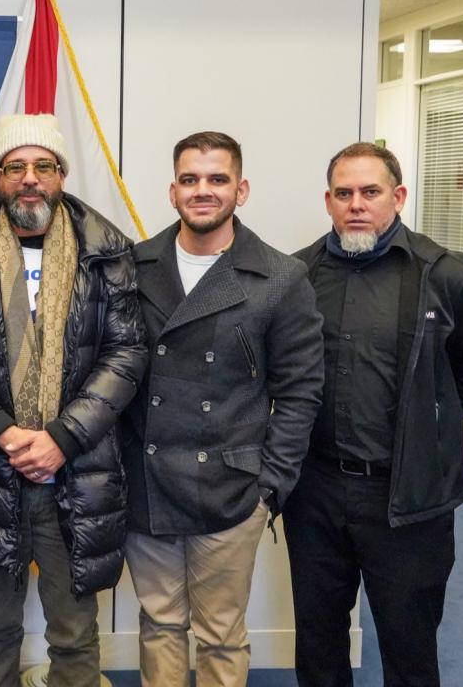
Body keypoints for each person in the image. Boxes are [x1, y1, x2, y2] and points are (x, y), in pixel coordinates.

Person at [0, 113, 149, 686]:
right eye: (15, 167)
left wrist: (61, 439)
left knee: (73, 630)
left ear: (61, 175)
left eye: (42, 166)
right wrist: (3, 431)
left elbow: (125, 355)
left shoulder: (107, 251)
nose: (29, 178)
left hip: (77, 470)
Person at [286, 142, 463, 687]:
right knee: (318, 639)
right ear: (328, 201)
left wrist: (427, 435)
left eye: (371, 192)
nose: (357, 204)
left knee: (409, 643)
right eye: (344, 193)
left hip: (408, 500)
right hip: (316, 493)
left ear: (397, 197)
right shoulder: (297, 275)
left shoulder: (444, 274)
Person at [121, 131, 324, 687]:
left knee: (219, 634)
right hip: (149, 478)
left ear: (242, 189)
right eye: (190, 179)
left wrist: (270, 487)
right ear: (172, 190)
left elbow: (301, 391)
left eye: (217, 179)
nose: (203, 191)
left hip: (232, 488)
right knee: (160, 623)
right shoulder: (134, 266)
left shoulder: (281, 278)